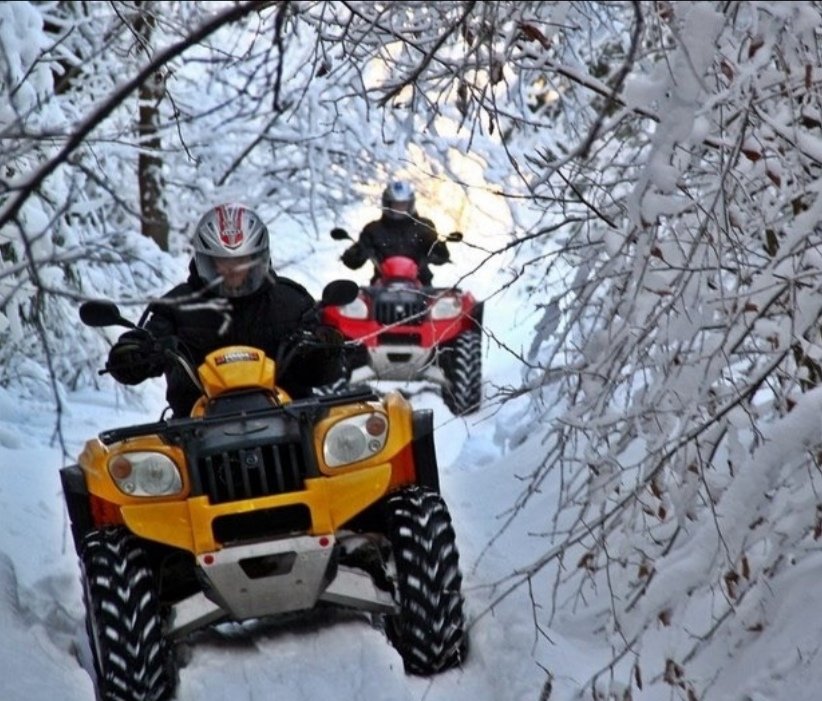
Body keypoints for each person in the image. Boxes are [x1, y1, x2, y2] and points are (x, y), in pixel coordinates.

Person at [106, 203, 342, 417]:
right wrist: (133, 352)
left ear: (259, 257)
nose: (233, 269)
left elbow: (324, 374)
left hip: (292, 422)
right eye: (222, 260)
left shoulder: (291, 301)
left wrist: (325, 348)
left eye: (244, 259)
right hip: (195, 433)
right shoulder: (178, 306)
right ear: (205, 260)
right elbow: (138, 354)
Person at [340, 180, 450, 286]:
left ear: (410, 204)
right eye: (395, 205)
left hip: (421, 286)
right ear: (387, 204)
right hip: (381, 288)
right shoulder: (373, 230)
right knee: (356, 302)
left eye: (403, 205)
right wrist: (355, 253)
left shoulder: (424, 227)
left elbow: (440, 256)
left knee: (446, 303)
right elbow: (354, 262)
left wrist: (439, 249)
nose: (399, 209)